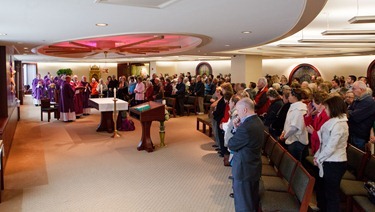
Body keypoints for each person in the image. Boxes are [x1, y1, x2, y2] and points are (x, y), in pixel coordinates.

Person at [228, 97, 263, 212]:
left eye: (238, 111)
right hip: (252, 166)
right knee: (250, 200)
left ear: (245, 110)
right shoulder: (257, 121)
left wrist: (236, 128)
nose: (237, 114)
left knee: (243, 204)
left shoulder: (247, 127)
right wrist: (238, 128)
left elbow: (232, 144)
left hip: (244, 169)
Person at [314, 96, 349, 212]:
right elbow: (323, 142)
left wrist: (319, 158)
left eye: (327, 108)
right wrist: (317, 156)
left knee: (331, 195)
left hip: (335, 163)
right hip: (328, 160)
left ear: (334, 108)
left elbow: (331, 147)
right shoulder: (333, 121)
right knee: (324, 191)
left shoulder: (340, 124)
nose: (325, 111)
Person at [279, 88, 309, 162]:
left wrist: (285, 136)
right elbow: (288, 123)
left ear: (294, 97)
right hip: (290, 138)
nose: (288, 97)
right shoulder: (294, 106)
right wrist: (283, 132)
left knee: (293, 164)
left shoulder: (300, 109)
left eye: (289, 95)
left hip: (296, 141)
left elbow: (294, 127)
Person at [347, 81, 375, 150]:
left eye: (354, 89)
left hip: (360, 134)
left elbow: (355, 117)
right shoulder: (357, 99)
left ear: (361, 90)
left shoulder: (368, 101)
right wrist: (351, 112)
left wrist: (351, 112)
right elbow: (348, 111)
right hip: (354, 132)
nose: (352, 91)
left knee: (357, 156)